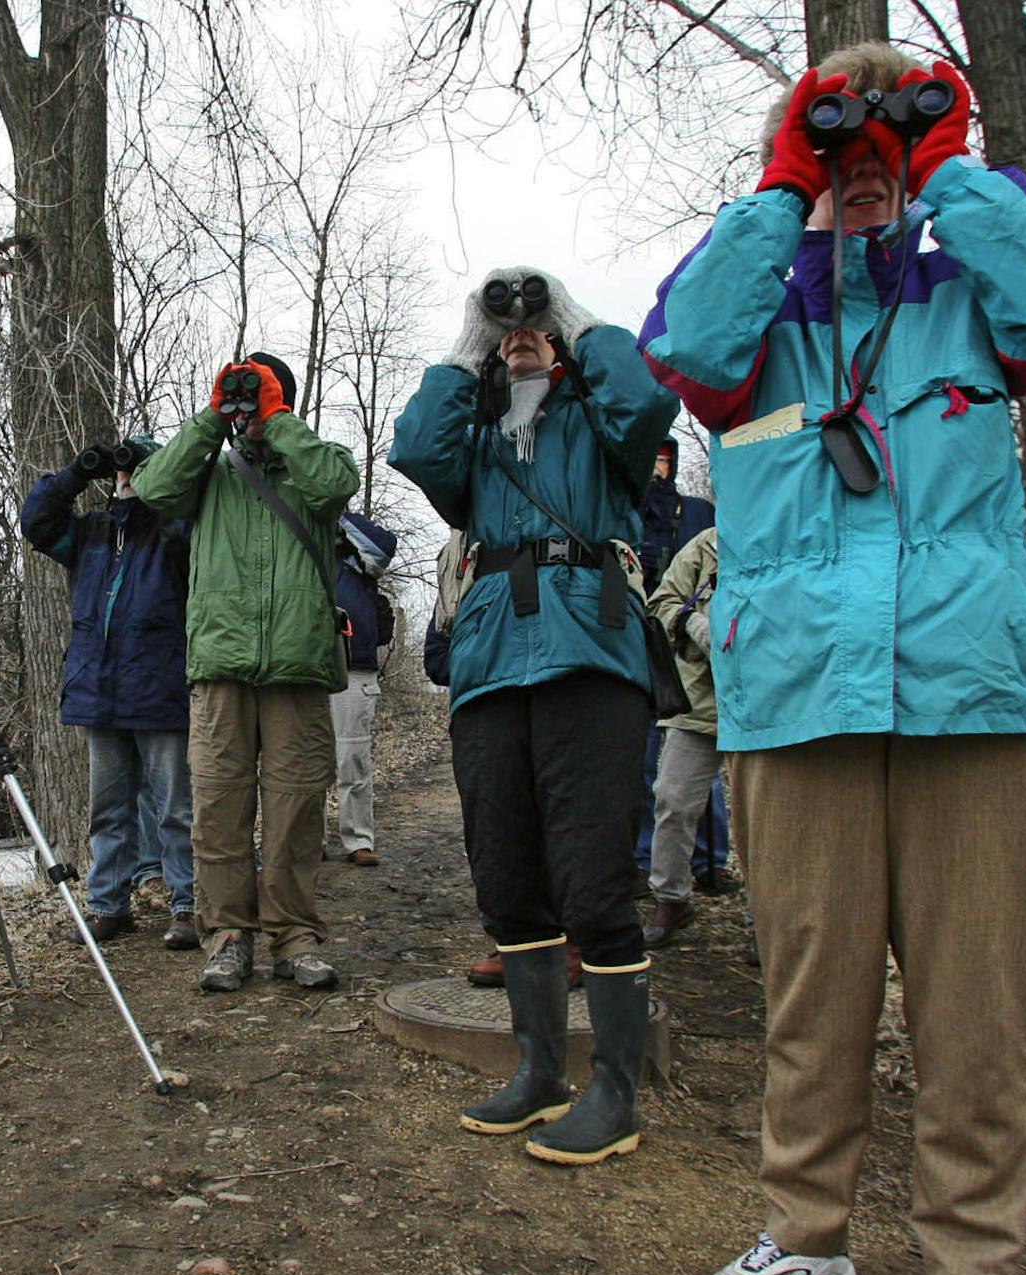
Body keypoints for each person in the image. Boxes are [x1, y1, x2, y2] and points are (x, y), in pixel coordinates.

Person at [639, 44, 1026, 1275]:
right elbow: (683, 350)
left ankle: (975, 1273)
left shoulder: (970, 287)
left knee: (977, 1003)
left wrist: (944, 165)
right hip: (798, 691)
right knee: (813, 993)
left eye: (883, 163)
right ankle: (808, 1239)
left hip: (971, 691)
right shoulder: (756, 311)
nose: (864, 182)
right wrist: (784, 185)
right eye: (839, 162)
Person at [392, 266, 680, 1167]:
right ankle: (539, 1072)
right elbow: (413, 447)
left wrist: (571, 317)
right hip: (487, 665)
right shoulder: (473, 441)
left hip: (591, 655)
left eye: (534, 328)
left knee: (593, 881)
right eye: (511, 327)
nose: (523, 333)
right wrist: (473, 338)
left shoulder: (599, 426)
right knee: (507, 875)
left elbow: (645, 403)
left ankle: (616, 1094)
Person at [130, 352, 359, 992]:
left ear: (283, 399)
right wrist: (211, 417)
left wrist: (277, 419)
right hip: (220, 667)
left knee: (294, 810)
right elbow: (152, 488)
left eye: (261, 394)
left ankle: (295, 935)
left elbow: (337, 487)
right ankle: (228, 935)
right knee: (218, 810)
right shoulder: (209, 472)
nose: (248, 406)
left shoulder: (315, 462)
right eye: (244, 396)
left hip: (298, 667)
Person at [20, 438, 199, 950]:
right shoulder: (89, 534)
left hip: (160, 691)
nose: (125, 478)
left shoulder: (173, 531)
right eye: (121, 472)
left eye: (137, 470)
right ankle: (108, 905)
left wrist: (157, 481)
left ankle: (185, 904)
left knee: (175, 810)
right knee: (109, 809)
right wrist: (77, 472)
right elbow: (37, 522)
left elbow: (192, 522)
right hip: (101, 691)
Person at [634, 439, 729, 891]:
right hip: (670, 665)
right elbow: (662, 598)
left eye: (665, 460)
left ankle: (713, 864)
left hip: (763, 688)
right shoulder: (631, 510)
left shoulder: (696, 512)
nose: (659, 467)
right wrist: (691, 623)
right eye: (653, 457)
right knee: (660, 778)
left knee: (756, 803)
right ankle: (665, 888)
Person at [642, 526, 720, 948]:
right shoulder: (706, 544)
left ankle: (767, 921)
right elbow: (661, 603)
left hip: (771, 701)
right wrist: (693, 623)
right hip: (700, 700)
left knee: (766, 818)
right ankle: (671, 899)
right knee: (672, 798)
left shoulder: (788, 531)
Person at [324, 511, 398, 867]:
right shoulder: (300, 538)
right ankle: (307, 839)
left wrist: (337, 513)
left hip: (355, 668)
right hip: (305, 667)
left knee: (352, 758)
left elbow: (385, 548)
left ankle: (358, 840)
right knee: (305, 761)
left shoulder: (358, 550)